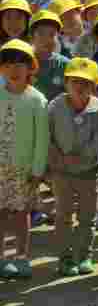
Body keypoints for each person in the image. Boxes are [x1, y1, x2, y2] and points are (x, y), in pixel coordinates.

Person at [47, 57, 98, 277]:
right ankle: (65, 257)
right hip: (61, 173)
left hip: (89, 172)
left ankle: (84, 255)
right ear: (66, 83)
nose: (80, 87)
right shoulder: (55, 106)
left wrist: (81, 158)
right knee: (63, 215)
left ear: (94, 85)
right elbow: (47, 136)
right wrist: (58, 159)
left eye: (86, 82)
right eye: (75, 81)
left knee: (88, 217)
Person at [0, 39, 49, 279]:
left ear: (31, 67)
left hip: (23, 170)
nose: (14, 69)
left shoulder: (37, 99)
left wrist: (38, 169)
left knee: (21, 215)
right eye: (8, 64)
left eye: (21, 63)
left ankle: (21, 257)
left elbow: (42, 138)